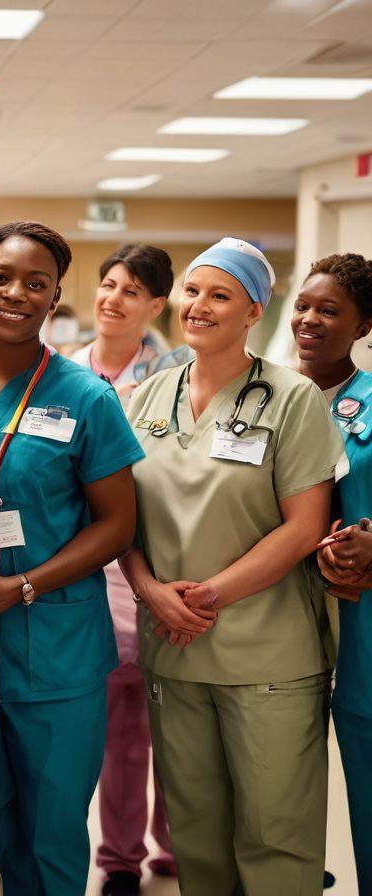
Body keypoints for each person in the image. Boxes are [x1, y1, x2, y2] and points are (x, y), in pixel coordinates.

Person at [0, 221, 143, 895]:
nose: (15, 293)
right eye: (1, 277)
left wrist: (18, 588)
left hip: (56, 649)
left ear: (55, 297)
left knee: (50, 834)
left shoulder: (86, 397)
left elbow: (118, 525)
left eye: (35, 283)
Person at [123, 238, 340, 894]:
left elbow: (304, 526)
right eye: (192, 291)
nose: (199, 306)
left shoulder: (293, 398)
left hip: (266, 658)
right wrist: (151, 591)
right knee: (196, 835)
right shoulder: (145, 397)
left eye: (220, 295)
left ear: (254, 311)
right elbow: (119, 518)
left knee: (274, 837)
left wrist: (206, 596)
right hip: (173, 651)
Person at [67, 244, 176, 896]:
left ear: (156, 305)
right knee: (120, 735)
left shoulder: (179, 377)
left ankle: (176, 845)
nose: (113, 298)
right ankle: (118, 861)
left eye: (131, 290)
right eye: (108, 284)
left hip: (161, 570)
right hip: (89, 571)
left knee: (176, 731)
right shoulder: (63, 374)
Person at [291, 254, 372, 892]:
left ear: (363, 325)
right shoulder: (262, 397)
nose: (309, 320)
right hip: (275, 617)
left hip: (358, 623)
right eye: (303, 306)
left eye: (329, 310)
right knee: (277, 787)